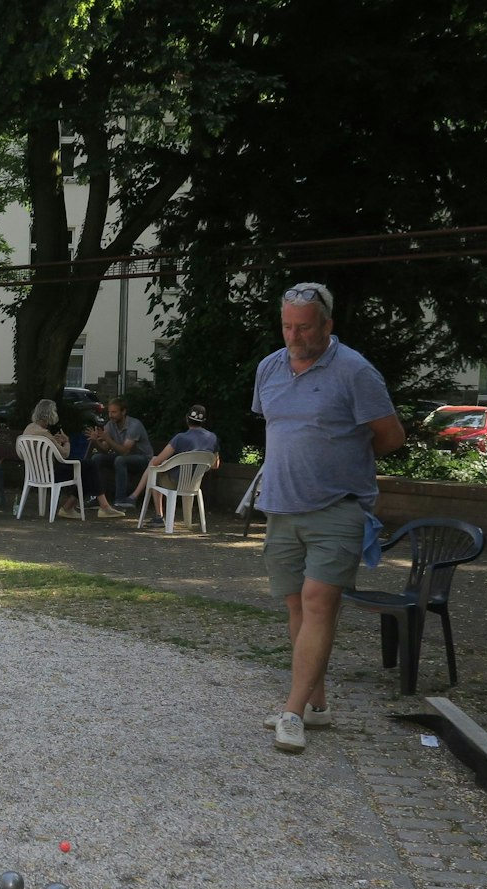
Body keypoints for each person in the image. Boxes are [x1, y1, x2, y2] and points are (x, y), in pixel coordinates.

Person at [252, 282, 405, 755]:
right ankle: (317, 704)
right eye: (287, 326)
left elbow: (390, 437)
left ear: (327, 326)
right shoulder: (269, 369)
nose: (294, 337)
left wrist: (343, 464)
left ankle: (293, 711)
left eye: (304, 327)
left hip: (338, 507)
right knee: (297, 606)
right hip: (281, 505)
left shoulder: (355, 371)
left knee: (319, 603)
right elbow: (279, 430)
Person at [117, 404, 222, 519]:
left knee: (154, 469)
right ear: (204, 421)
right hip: (195, 483)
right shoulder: (212, 438)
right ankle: (133, 497)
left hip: (174, 482)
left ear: (187, 418)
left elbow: (157, 461)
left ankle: (157, 515)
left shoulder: (180, 438)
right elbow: (215, 465)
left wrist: (169, 462)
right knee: (155, 465)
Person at [81, 397, 151, 517]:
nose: (111, 415)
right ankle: (97, 497)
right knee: (97, 458)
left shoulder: (134, 425)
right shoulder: (110, 425)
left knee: (120, 459)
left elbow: (124, 451)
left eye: (114, 412)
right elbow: (105, 449)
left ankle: (120, 500)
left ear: (123, 412)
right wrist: (95, 441)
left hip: (142, 458)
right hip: (123, 458)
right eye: (109, 412)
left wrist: (107, 438)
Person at [18, 399, 81, 519]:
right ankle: (70, 507)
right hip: (49, 475)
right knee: (87, 468)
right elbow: (64, 454)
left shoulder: (29, 429)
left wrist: (54, 442)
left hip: (33, 474)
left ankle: (71, 507)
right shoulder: (45, 434)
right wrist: (66, 441)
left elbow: (40, 449)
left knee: (87, 468)